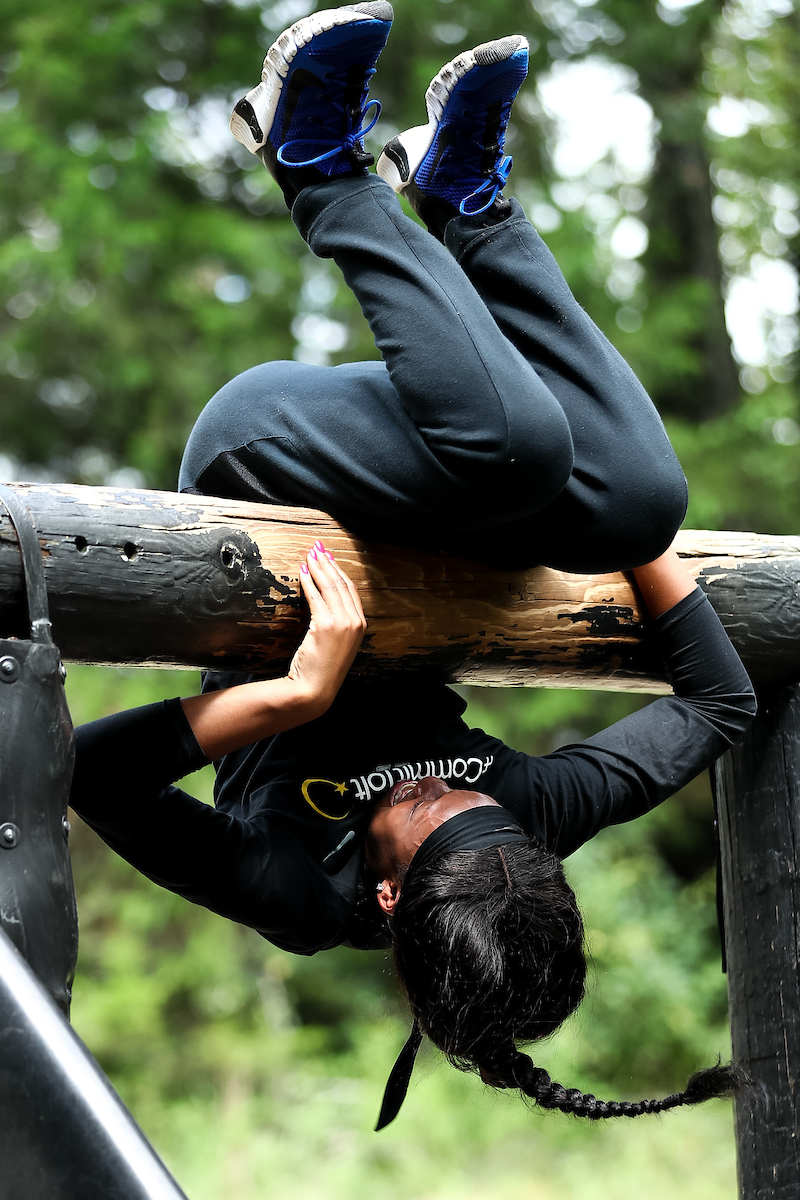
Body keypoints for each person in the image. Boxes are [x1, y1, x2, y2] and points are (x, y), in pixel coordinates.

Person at [69, 3, 756, 1130]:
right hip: (430, 508)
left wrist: (291, 697)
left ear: (386, 897)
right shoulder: (522, 815)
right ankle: (464, 203)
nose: (456, 785)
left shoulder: (300, 892)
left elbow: (89, 776)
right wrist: (627, 545)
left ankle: (317, 166)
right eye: (477, 793)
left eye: (435, 808)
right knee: (641, 503)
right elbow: (720, 700)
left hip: (267, 475)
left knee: (522, 450)